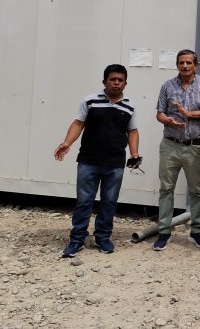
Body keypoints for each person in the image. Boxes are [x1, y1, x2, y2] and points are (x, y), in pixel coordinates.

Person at [54, 64, 139, 257]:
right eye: (112, 79)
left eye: (120, 80)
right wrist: (67, 142)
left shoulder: (129, 106)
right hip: (88, 161)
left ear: (125, 83)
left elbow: (132, 131)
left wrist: (134, 154)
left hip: (115, 163)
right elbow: (78, 123)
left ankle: (103, 238)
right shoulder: (90, 101)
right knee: (84, 201)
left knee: (109, 202)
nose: (116, 83)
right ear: (104, 82)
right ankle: (76, 240)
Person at [153, 49, 200, 251]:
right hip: (170, 145)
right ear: (177, 65)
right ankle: (164, 231)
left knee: (196, 191)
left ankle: (196, 231)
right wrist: (167, 119)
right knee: (166, 189)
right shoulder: (167, 86)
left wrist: (188, 114)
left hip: (194, 146)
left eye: (188, 63)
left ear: (195, 65)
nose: (185, 66)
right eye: (181, 62)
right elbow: (159, 113)